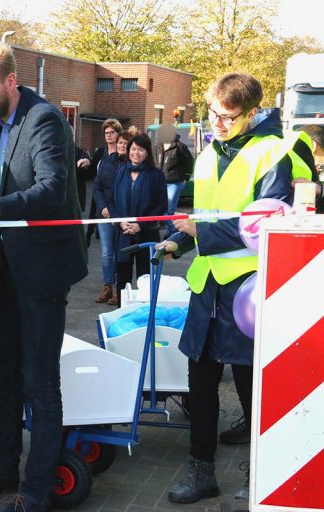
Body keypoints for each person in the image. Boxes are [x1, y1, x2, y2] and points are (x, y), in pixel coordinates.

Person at [159, 73, 314, 505]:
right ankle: (201, 467)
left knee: (253, 387)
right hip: (208, 285)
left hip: (251, 291)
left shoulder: (277, 152)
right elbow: (205, 212)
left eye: (228, 117)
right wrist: (179, 239)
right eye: (212, 113)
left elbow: (269, 223)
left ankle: (259, 472)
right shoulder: (209, 152)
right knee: (201, 379)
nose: (218, 123)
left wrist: (199, 232)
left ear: (251, 113)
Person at [0, 42, 88, 512]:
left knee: (39, 381)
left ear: (11, 81)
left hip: (44, 274)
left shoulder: (44, 119)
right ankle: (2, 469)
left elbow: (52, 189)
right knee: (4, 375)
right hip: (8, 274)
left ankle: (36, 489)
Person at [108, 133, 167, 299]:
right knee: (122, 277)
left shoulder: (156, 175)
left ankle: (145, 315)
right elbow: (111, 201)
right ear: (128, 151)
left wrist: (141, 225)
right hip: (123, 232)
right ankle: (122, 311)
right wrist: (120, 221)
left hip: (146, 233)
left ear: (147, 152)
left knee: (145, 278)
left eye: (141, 149)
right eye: (133, 149)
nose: (136, 152)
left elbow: (162, 205)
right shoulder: (121, 171)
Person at [91, 119, 122, 304]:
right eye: (106, 133)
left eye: (112, 132)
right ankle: (107, 285)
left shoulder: (124, 156)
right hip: (103, 212)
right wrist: (103, 208)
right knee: (106, 252)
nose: (108, 135)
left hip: (120, 211)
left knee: (120, 251)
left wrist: (114, 210)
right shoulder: (101, 155)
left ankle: (119, 287)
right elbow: (96, 185)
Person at [156, 124, 194, 237]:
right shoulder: (158, 146)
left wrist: (186, 178)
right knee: (160, 208)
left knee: (169, 209)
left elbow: (189, 162)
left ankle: (172, 231)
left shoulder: (180, 147)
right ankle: (173, 230)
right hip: (160, 182)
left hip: (175, 182)